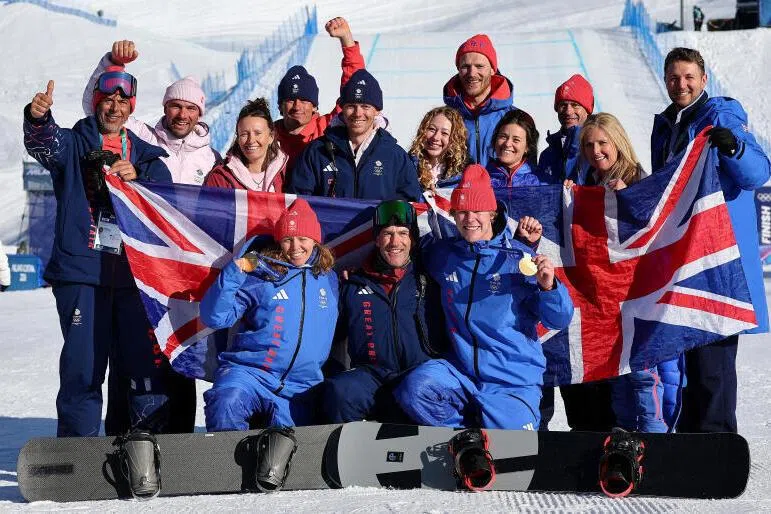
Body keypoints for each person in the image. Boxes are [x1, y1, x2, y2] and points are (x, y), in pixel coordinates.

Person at [23, 72, 173, 437]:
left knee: (141, 368)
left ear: (131, 108)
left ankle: (139, 447)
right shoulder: (74, 143)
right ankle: (80, 451)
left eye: (123, 101)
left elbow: (167, 200)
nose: (115, 106)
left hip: (134, 277)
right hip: (82, 273)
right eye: (108, 99)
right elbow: (45, 143)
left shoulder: (149, 158)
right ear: (97, 102)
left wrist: (139, 179)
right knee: (84, 367)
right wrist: (37, 118)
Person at [393, 164, 574, 429]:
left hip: (511, 380)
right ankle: (466, 435)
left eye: (477, 211)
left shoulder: (519, 258)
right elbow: (403, 257)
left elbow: (558, 319)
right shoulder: (444, 255)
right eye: (462, 212)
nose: (470, 219)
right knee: (415, 391)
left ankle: (489, 428)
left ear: (492, 212)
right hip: (461, 374)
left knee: (509, 450)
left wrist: (549, 287)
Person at [651, 47, 771, 433]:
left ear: (704, 79)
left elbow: (757, 172)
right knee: (687, 362)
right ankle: (691, 438)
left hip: (720, 260)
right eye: (673, 77)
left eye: (688, 76)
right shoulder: (666, 125)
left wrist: (733, 147)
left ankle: (718, 440)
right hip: (686, 259)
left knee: (713, 366)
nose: (680, 84)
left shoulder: (721, 115)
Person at [567, 112, 678, 432]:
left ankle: (656, 447)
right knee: (618, 379)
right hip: (606, 300)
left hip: (639, 297)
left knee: (645, 377)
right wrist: (569, 198)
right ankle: (625, 448)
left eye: (603, 142)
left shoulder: (639, 181)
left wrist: (628, 200)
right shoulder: (589, 183)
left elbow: (656, 236)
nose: (596, 151)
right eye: (588, 145)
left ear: (618, 142)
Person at [200, 198, 339, 430]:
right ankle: (223, 466)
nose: (295, 247)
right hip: (251, 374)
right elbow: (215, 317)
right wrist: (236, 271)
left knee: (290, 456)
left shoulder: (329, 278)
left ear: (316, 241)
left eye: (303, 239)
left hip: (301, 387)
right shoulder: (262, 272)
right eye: (287, 240)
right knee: (226, 402)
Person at [322, 200, 448, 423]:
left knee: (421, 390)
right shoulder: (354, 284)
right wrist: (334, 371)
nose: (395, 242)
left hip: (421, 375)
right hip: (373, 377)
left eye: (402, 233)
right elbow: (327, 340)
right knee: (340, 392)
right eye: (387, 233)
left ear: (413, 239)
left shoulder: (431, 278)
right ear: (377, 238)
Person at [83, 40, 221, 185]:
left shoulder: (212, 159)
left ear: (199, 114)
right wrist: (112, 64)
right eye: (176, 106)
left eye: (191, 108)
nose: (182, 115)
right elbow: (97, 109)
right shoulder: (143, 136)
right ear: (165, 108)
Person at [288, 69, 421, 201]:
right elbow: (299, 201)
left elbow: (409, 202)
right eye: (351, 106)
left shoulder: (395, 156)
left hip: (377, 223)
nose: (358, 113)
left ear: (377, 111)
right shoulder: (316, 152)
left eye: (365, 106)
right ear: (343, 109)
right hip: (327, 223)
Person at [275, 16, 365, 173]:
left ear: (315, 106)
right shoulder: (267, 135)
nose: (297, 106)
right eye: (290, 100)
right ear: (280, 106)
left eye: (304, 100)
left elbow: (354, 87)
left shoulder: (328, 128)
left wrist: (347, 40)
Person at [443, 34, 515, 167]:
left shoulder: (515, 119)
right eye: (465, 66)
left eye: (479, 66)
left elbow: (527, 171)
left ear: (493, 69)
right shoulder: (444, 119)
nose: (472, 73)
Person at [204, 98, 288, 191]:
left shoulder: (286, 173)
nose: (251, 140)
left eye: (258, 133)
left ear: (271, 137)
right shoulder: (221, 177)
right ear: (238, 138)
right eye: (244, 134)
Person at [537, 74, 594, 184]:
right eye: (563, 105)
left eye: (575, 105)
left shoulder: (596, 149)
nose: (568, 111)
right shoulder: (548, 154)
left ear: (587, 109)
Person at [408, 106, 469, 191]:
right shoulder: (407, 166)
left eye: (444, 133)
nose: (436, 137)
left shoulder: (461, 176)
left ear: (454, 139)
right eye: (432, 129)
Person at [486, 109, 546, 187]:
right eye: (503, 137)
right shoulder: (482, 179)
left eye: (516, 140)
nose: (507, 144)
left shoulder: (539, 182)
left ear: (527, 147)